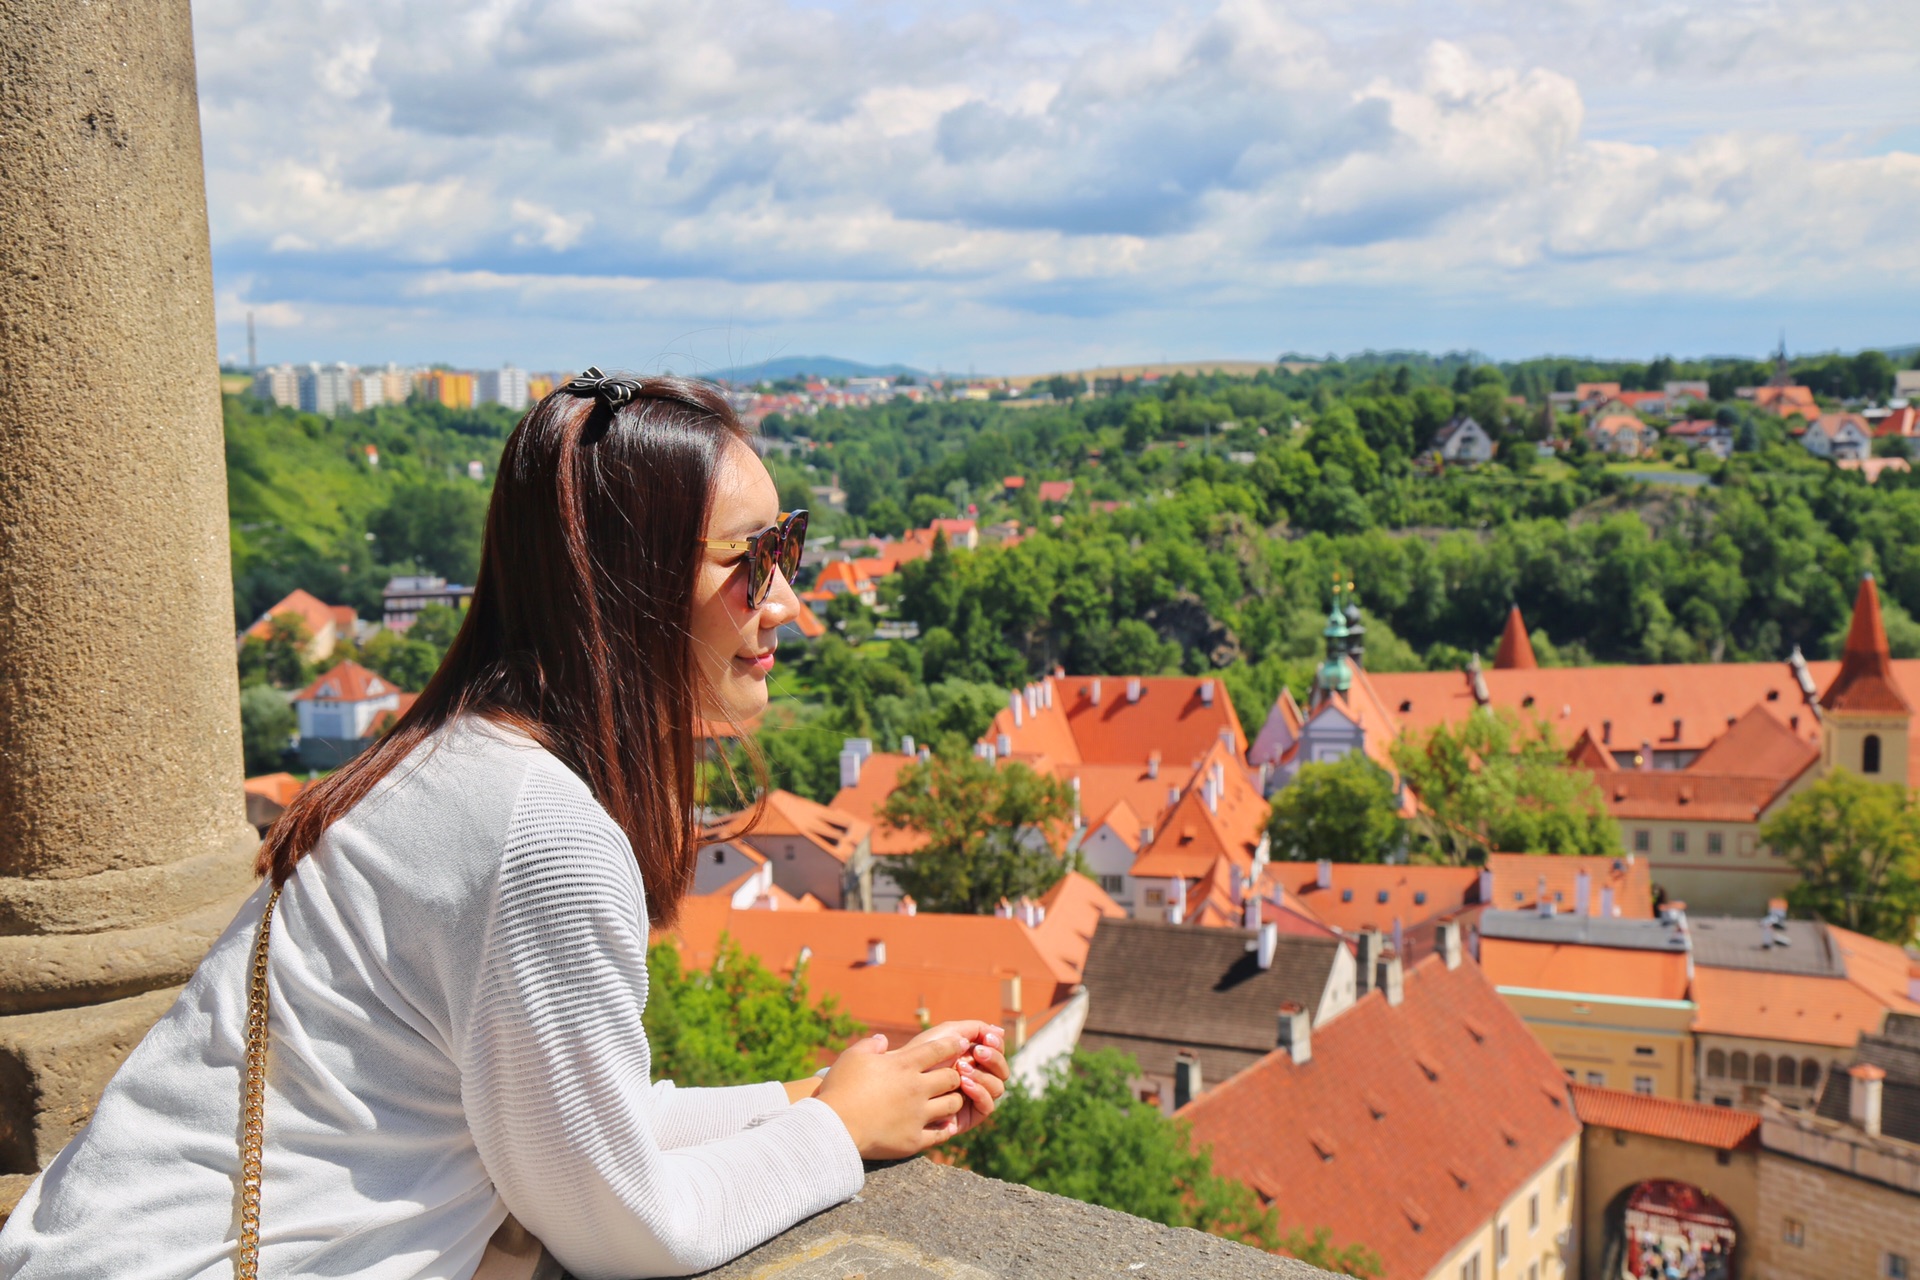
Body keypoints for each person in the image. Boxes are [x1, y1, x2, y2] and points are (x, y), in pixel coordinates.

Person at [0, 371, 1010, 1279]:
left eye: (787, 547)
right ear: (630, 584)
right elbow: (630, 1226)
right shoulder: (541, 831)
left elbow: (561, 1123)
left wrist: (800, 1094)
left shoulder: (452, 759)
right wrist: (836, 1131)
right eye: (753, 558)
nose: (784, 599)